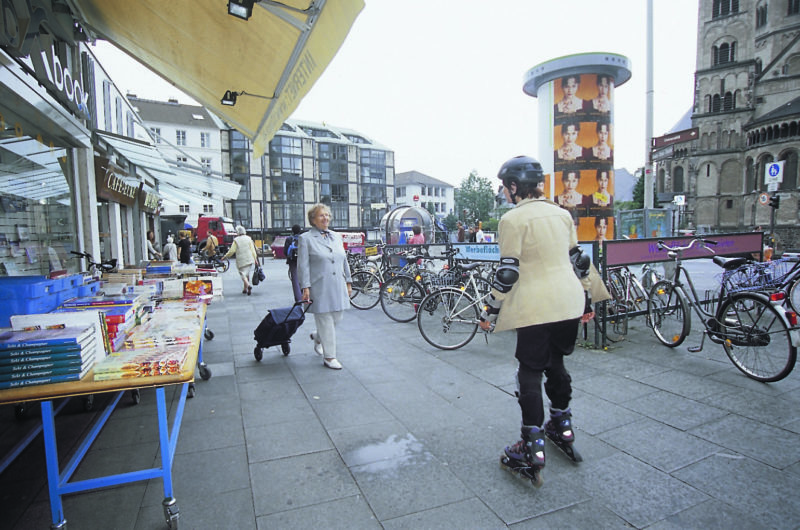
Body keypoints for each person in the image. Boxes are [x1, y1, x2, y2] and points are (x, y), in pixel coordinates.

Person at [479, 155, 594, 487]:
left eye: (504, 187)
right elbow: (579, 260)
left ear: (514, 187)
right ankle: (562, 425)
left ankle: (531, 449)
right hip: (569, 300)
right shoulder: (562, 214)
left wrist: (490, 309)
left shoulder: (513, 220)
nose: (503, 193)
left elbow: (507, 273)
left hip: (535, 305)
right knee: (555, 362)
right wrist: (586, 297)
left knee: (528, 370)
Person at [298, 203, 352, 370]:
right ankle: (330, 357)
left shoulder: (336, 236)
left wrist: (349, 281)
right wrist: (305, 287)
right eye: (321, 215)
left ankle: (317, 336)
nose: (325, 218)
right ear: (313, 220)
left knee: (337, 317)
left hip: (337, 284)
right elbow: (303, 265)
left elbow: (344, 259)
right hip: (319, 285)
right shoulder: (305, 239)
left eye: (327, 215)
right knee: (326, 320)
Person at [223, 225, 258, 295]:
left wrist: (225, 256)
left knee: (243, 274)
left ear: (237, 232)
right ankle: (245, 289)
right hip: (249, 258)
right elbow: (253, 250)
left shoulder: (236, 240)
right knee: (247, 274)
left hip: (241, 260)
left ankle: (248, 285)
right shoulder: (249, 238)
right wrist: (255, 259)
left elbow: (232, 251)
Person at [283, 224, 302, 302]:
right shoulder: (303, 238)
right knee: (303, 277)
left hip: (292, 261)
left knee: (295, 279)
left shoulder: (289, 239)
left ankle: (298, 298)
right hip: (302, 260)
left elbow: (285, 251)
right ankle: (303, 293)